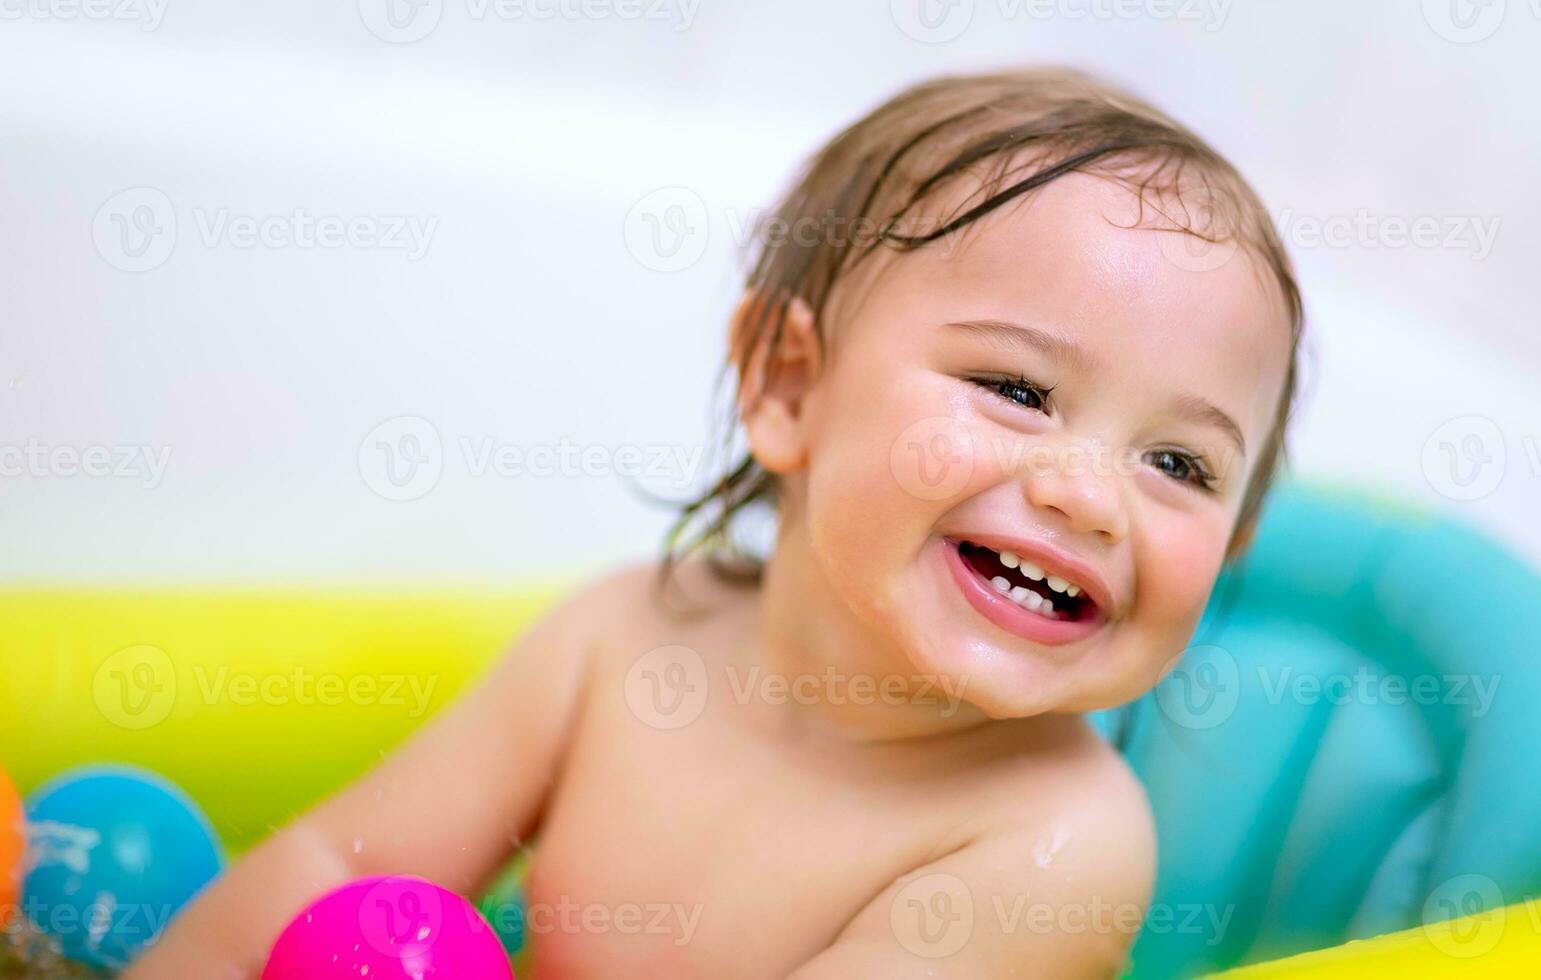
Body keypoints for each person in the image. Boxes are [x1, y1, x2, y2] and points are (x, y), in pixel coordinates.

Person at [131, 65, 1303, 978]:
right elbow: (335, 865)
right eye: (1017, 390)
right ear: (788, 387)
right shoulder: (627, 637)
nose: (1086, 494)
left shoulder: (1055, 839)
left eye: (1178, 463)